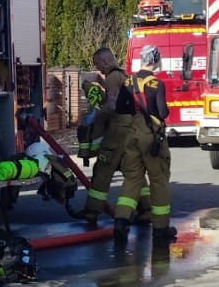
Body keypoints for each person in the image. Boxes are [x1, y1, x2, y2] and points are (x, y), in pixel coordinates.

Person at [71, 48, 143, 228]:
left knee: (103, 169)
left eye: (97, 64)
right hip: (131, 129)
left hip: (117, 131)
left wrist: (95, 116)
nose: (98, 68)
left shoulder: (112, 78)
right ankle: (147, 209)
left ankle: (92, 211)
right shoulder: (123, 76)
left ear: (104, 61)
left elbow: (111, 105)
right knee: (132, 170)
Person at [115, 45, 176, 244]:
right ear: (155, 60)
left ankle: (121, 221)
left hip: (132, 134)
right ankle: (161, 228)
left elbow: (120, 108)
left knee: (132, 178)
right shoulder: (156, 84)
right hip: (151, 136)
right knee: (158, 180)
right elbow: (162, 112)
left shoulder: (128, 81)